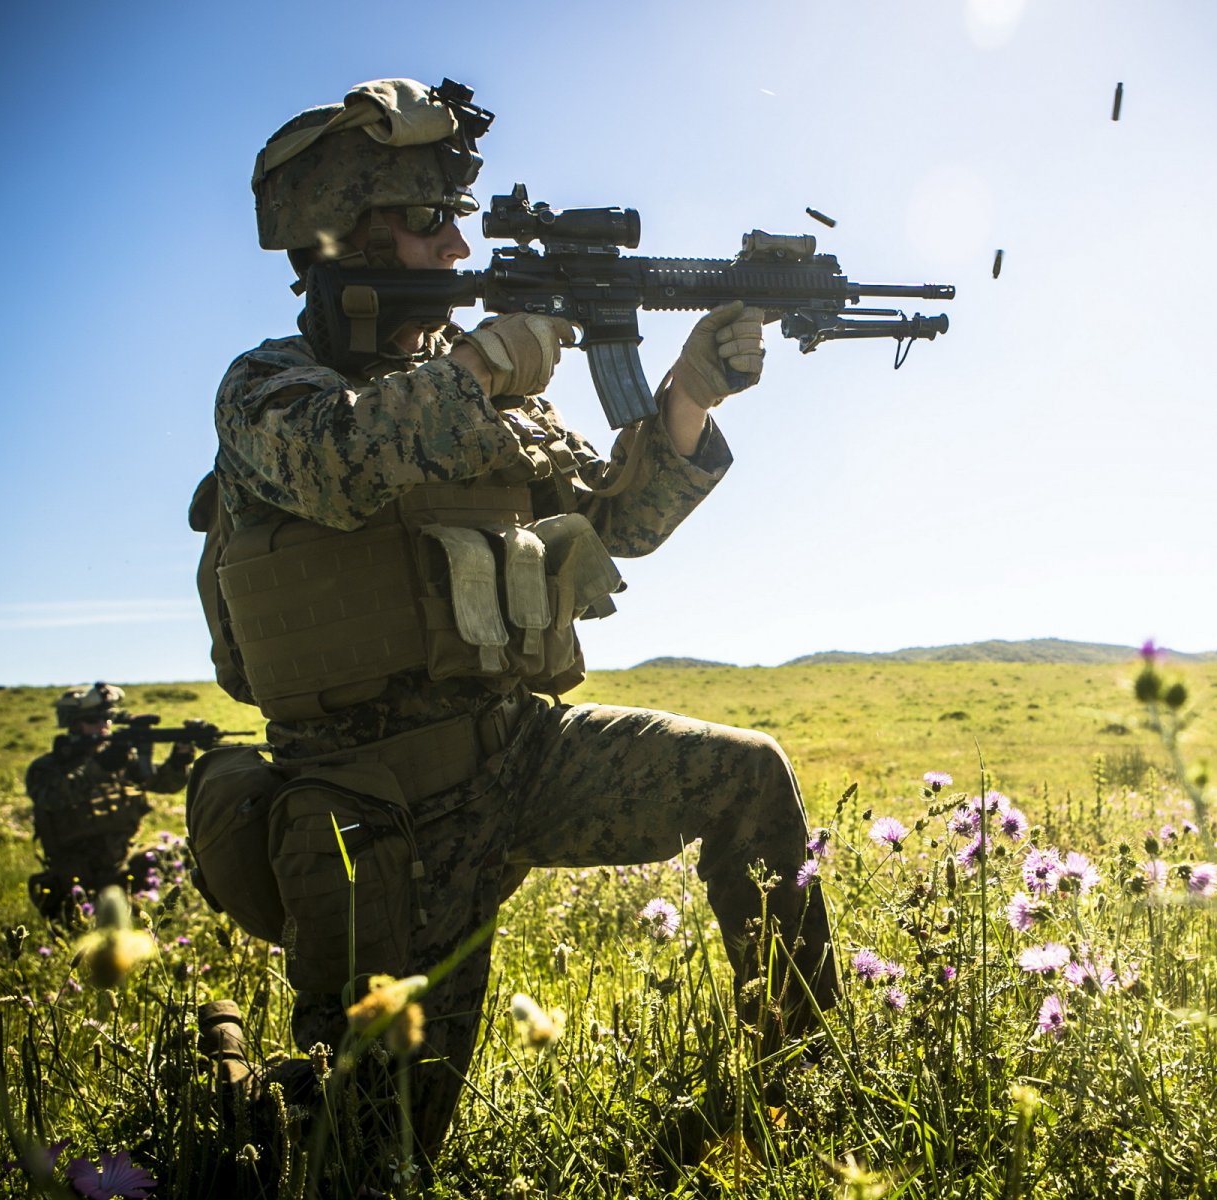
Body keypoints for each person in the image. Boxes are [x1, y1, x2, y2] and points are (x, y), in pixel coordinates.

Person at [190, 77, 837, 1166]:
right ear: (340, 232)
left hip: (523, 754)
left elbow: (614, 522)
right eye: (427, 221)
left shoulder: (490, 397)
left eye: (460, 220)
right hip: (374, 804)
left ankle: (805, 1085)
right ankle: (224, 1068)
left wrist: (687, 396)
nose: (456, 249)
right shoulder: (269, 390)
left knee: (746, 777)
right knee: (365, 1157)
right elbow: (344, 466)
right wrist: (483, 367)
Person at [26, 682, 193, 919]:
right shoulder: (47, 767)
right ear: (73, 724)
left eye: (107, 718)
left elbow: (161, 783)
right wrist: (100, 767)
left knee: (180, 854)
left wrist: (179, 761)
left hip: (122, 866)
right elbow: (51, 798)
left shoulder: (118, 759)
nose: (103, 726)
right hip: (76, 878)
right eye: (93, 720)